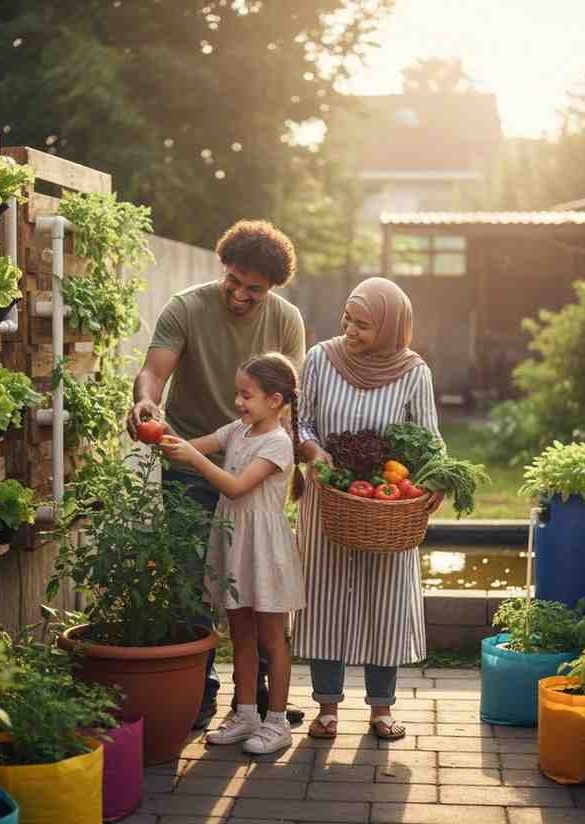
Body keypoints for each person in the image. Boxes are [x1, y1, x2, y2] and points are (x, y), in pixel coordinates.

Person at [126, 220, 306, 729]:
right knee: (191, 578)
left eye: (256, 289)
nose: (241, 295)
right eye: (234, 280)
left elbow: (286, 401)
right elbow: (154, 371)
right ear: (223, 266)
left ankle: (261, 699)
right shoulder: (187, 306)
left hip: (251, 463)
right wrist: (145, 401)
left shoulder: (287, 320)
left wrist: (284, 464)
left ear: (271, 290)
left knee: (257, 582)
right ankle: (198, 692)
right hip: (190, 457)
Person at [291, 277, 445, 741]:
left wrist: (435, 477)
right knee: (324, 599)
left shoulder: (414, 371)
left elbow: (430, 438)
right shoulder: (320, 359)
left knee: (387, 602)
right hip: (329, 498)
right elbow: (300, 423)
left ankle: (381, 709)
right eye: (347, 319)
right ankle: (327, 708)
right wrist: (314, 453)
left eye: (363, 324)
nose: (350, 330)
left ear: (390, 327)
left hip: (388, 508)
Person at [160, 353, 306, 754]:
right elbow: (185, 447)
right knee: (241, 634)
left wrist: (193, 458)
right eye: (238, 394)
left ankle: (276, 723)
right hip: (235, 544)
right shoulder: (238, 429)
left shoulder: (277, 443)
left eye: (247, 395)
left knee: (271, 640)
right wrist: (159, 434)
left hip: (265, 549)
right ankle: (245, 715)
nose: (239, 403)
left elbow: (236, 487)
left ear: (275, 400)